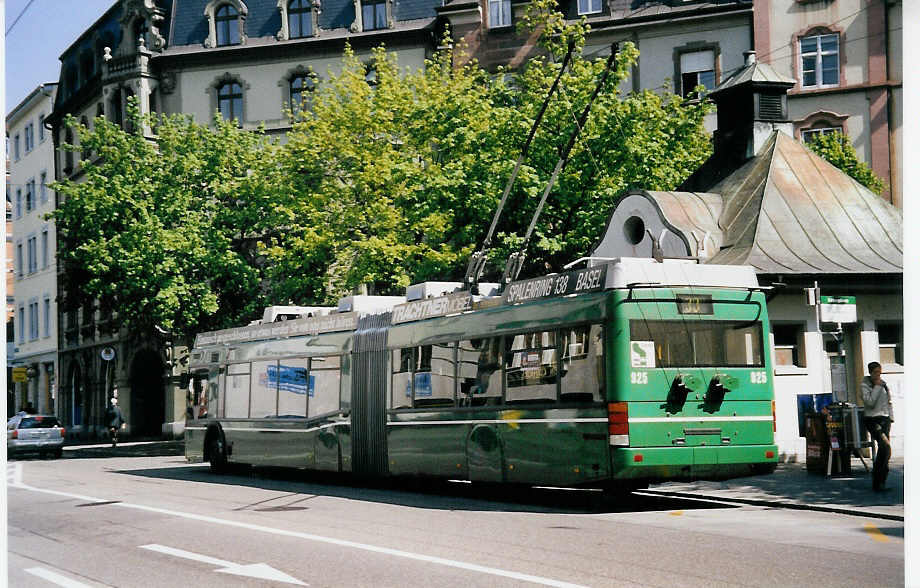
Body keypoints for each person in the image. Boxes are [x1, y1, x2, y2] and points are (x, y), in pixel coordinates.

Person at [861, 361, 893, 491]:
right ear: (870, 372)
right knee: (885, 446)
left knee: (885, 451)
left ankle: (881, 480)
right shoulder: (865, 385)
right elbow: (870, 403)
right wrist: (877, 388)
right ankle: (877, 479)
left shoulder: (883, 383)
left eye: (879, 372)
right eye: (875, 372)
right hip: (872, 420)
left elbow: (888, 401)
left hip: (885, 419)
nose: (878, 375)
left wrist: (891, 417)